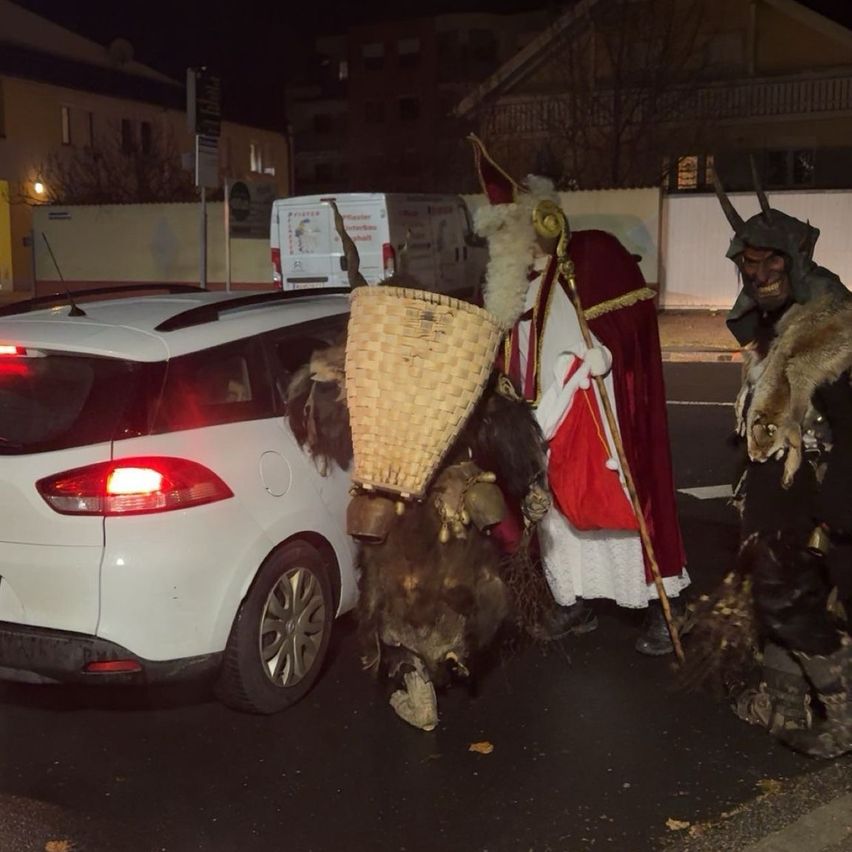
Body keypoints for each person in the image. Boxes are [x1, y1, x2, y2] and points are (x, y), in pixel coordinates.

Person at [469, 136, 689, 655]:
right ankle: (574, 599)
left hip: (596, 405)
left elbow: (631, 323)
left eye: (509, 230)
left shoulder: (591, 255)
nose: (503, 243)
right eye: (497, 234)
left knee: (616, 503)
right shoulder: (503, 287)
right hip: (539, 417)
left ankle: (664, 604)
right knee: (556, 513)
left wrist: (604, 355)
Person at [693, 172, 852, 758]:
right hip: (776, 494)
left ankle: (843, 718)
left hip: (806, 498)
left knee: (788, 602)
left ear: (796, 264)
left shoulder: (830, 330)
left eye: (770, 266)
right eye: (748, 266)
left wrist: (837, 506)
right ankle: (787, 708)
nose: (757, 277)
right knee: (777, 601)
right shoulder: (776, 324)